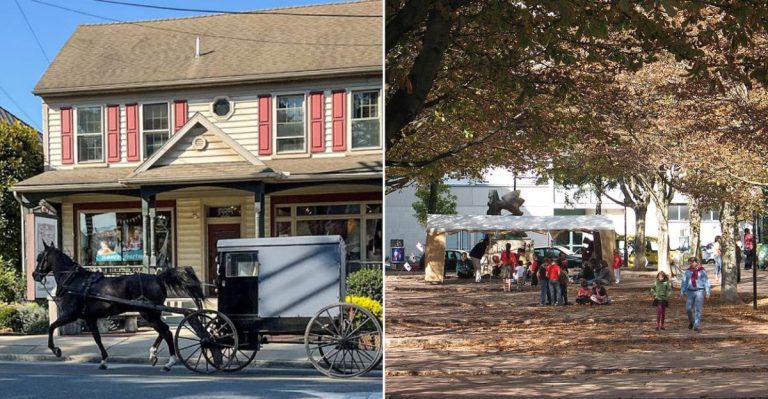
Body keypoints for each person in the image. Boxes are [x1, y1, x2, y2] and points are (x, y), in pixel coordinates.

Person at [680, 257, 711, 332]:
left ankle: (696, 325)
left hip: (700, 291)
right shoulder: (688, 272)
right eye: (690, 263)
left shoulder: (702, 271)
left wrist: (707, 292)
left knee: (698, 309)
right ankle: (691, 322)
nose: (692, 264)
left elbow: (706, 281)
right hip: (690, 291)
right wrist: (682, 292)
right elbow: (684, 282)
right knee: (688, 308)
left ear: (696, 262)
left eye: (693, 262)